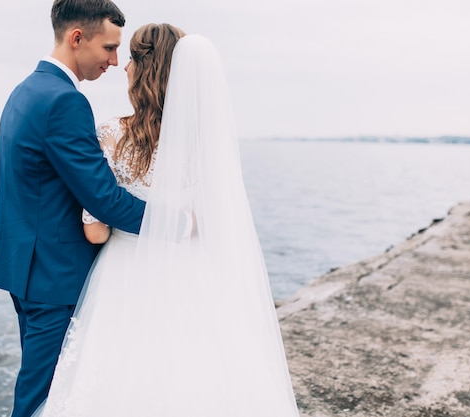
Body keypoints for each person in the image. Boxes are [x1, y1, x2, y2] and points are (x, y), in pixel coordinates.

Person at [32, 23, 300, 417]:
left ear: (146, 69)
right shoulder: (205, 142)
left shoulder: (110, 135)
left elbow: (95, 231)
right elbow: (217, 218)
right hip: (194, 273)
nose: (122, 66)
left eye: (132, 59)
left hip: (124, 278)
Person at [0, 1, 145, 416]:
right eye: (109, 48)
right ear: (78, 38)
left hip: (24, 266)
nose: (114, 61)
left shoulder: (25, 90)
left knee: (44, 386)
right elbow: (103, 198)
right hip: (57, 275)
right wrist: (176, 224)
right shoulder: (65, 102)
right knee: (44, 397)